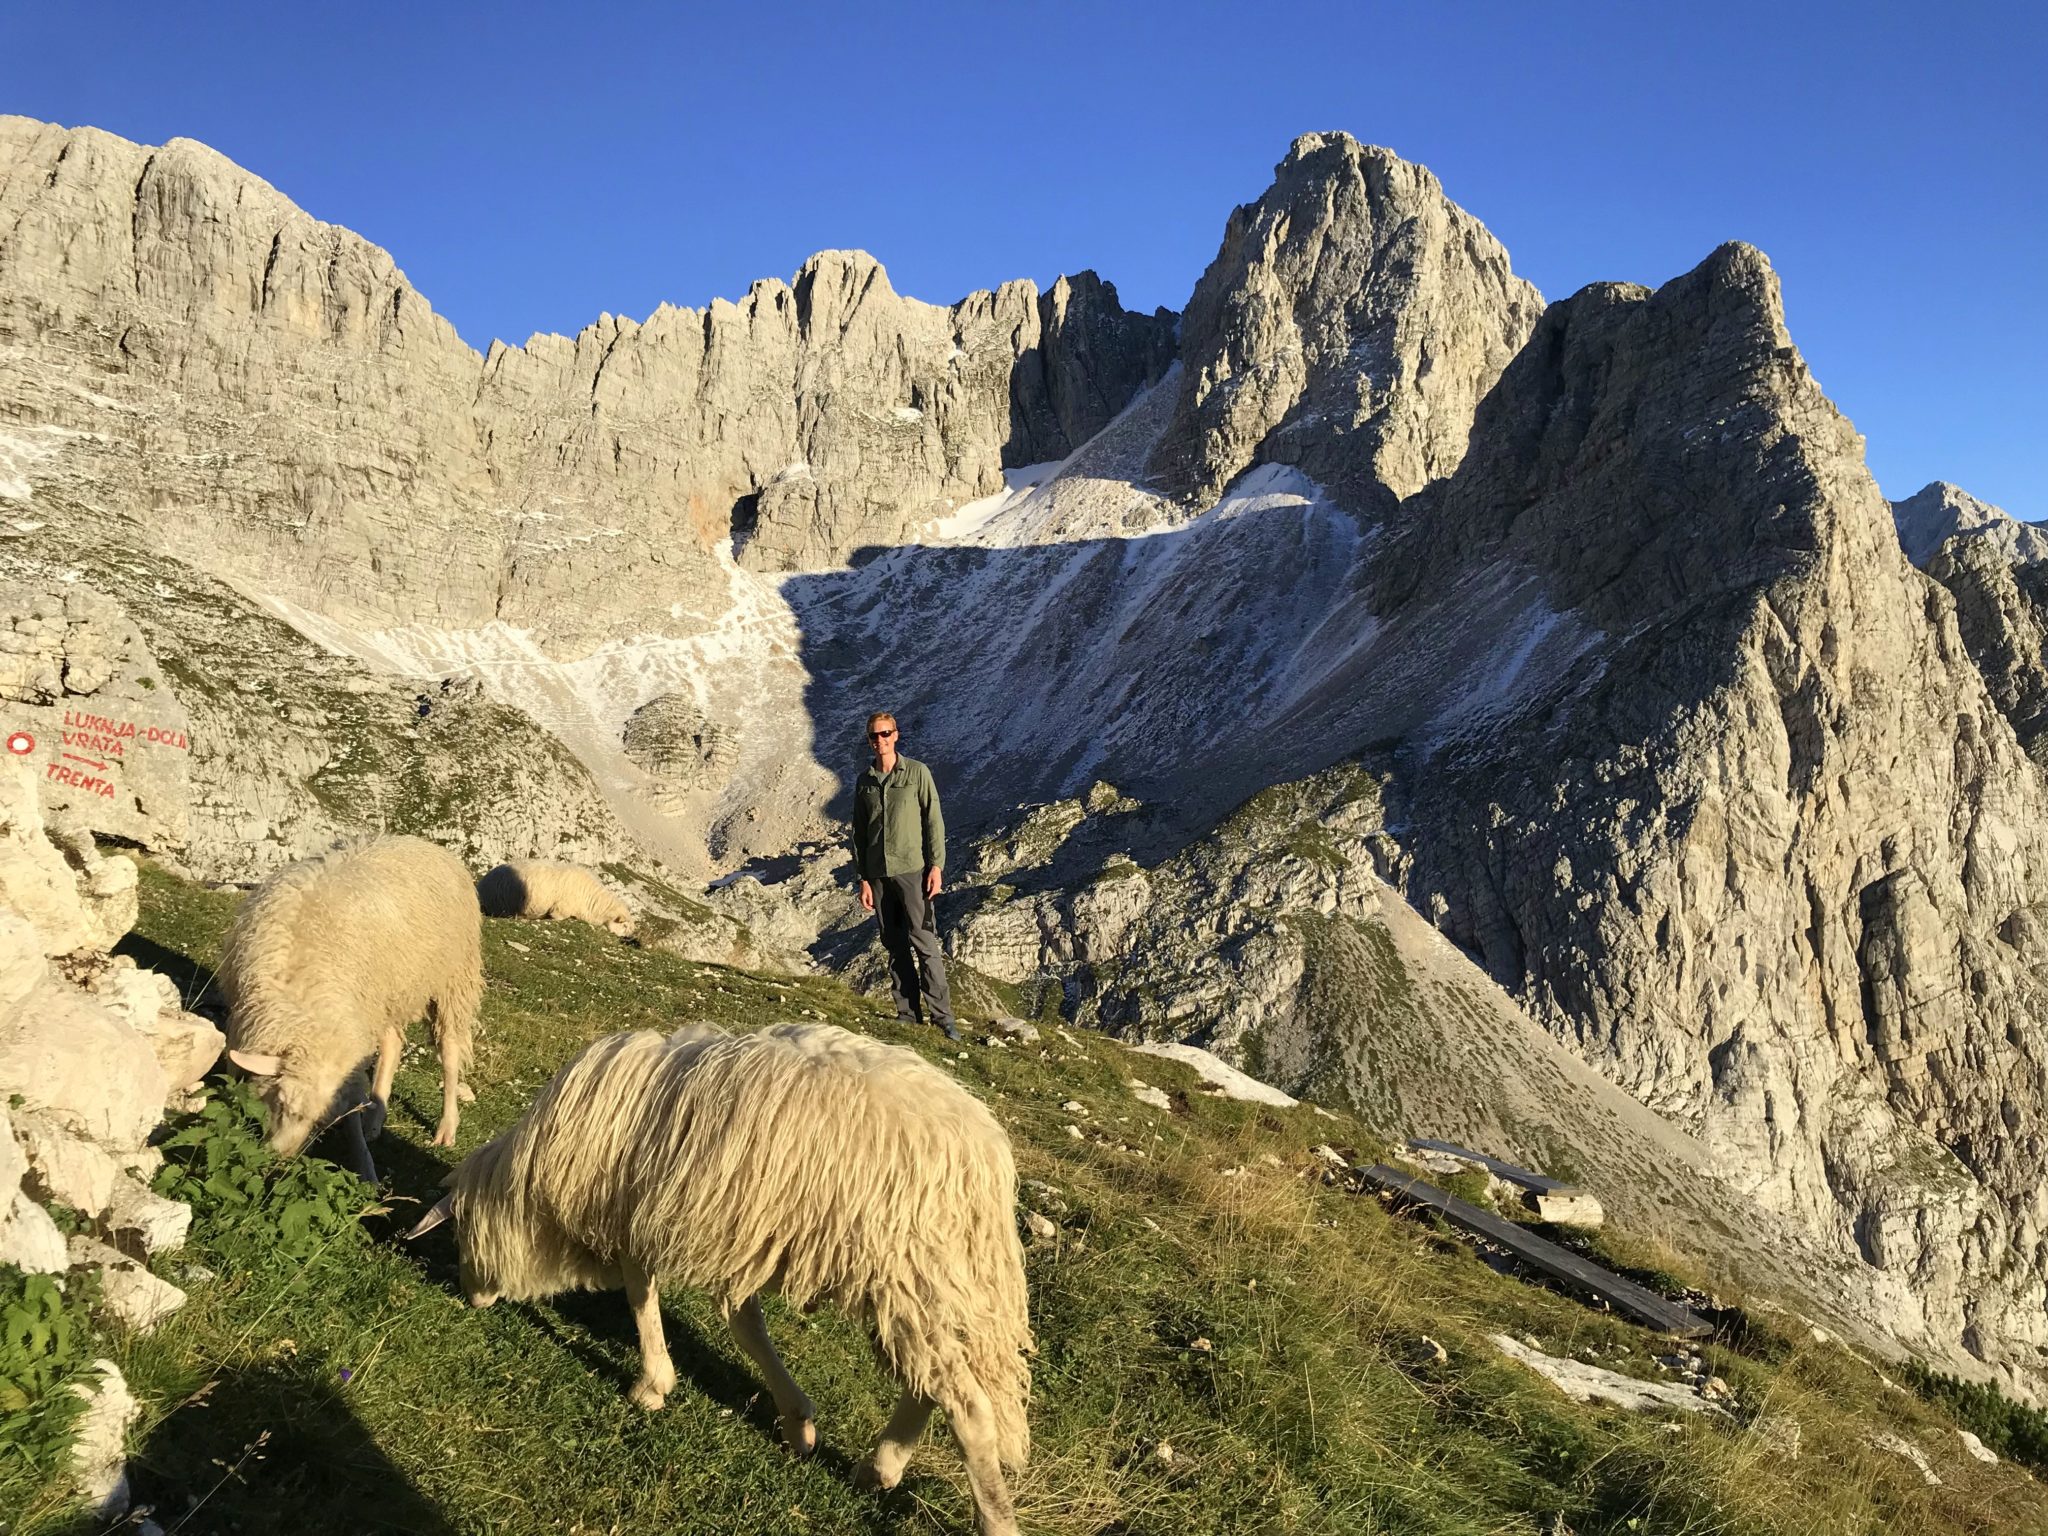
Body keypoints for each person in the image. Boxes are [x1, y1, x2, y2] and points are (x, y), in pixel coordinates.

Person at [850, 710, 958, 1041]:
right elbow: (858, 832)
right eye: (874, 736)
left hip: (913, 870)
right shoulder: (865, 781)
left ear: (896, 735)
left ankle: (943, 1018)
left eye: (885, 734)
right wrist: (863, 878)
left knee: (924, 943)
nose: (879, 740)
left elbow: (933, 820)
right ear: (868, 740)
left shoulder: (916, 773)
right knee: (894, 944)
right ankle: (908, 1013)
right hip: (879, 874)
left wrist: (936, 866)